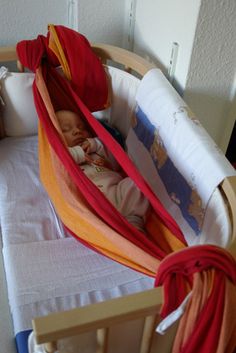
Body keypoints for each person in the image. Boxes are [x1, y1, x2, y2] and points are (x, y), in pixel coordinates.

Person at [56, 110, 150, 232]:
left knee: (137, 183)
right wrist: (79, 153)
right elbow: (58, 160)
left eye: (81, 127)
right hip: (90, 199)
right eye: (66, 129)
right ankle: (110, 228)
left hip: (116, 193)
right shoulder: (65, 154)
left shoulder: (97, 150)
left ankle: (134, 222)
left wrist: (96, 144)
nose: (77, 131)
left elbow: (117, 160)